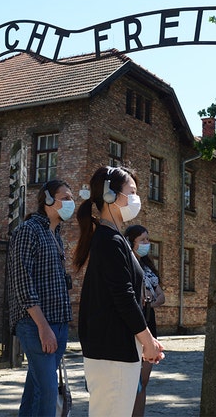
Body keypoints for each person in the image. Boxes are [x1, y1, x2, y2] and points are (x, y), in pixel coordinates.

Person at [72, 166, 165, 416]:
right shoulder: (109, 241)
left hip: (117, 351)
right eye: (131, 192)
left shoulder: (114, 239)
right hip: (112, 353)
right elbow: (123, 297)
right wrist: (148, 341)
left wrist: (146, 341)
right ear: (111, 196)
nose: (136, 199)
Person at [7, 179, 76, 417]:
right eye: (65, 197)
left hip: (58, 322)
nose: (71, 202)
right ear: (47, 199)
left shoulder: (55, 235)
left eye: (71, 198)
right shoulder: (28, 230)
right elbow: (22, 281)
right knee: (47, 390)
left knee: (35, 388)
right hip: (36, 324)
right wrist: (43, 326)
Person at [124, 224, 166, 417]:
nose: (147, 243)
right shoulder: (127, 264)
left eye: (148, 239)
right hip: (133, 324)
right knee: (132, 381)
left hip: (149, 321)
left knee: (143, 380)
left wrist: (150, 303)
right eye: (143, 240)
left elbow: (160, 296)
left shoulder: (148, 267)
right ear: (132, 242)